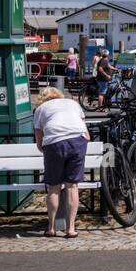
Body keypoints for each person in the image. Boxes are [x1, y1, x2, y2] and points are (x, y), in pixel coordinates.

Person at [32, 87, 89, 238]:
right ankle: (71, 229)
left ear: (42, 99)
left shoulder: (40, 110)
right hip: (78, 140)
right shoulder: (72, 104)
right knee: (72, 186)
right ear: (59, 96)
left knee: (54, 188)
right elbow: (87, 134)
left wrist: (52, 154)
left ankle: (51, 228)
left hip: (54, 144)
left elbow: (39, 144)